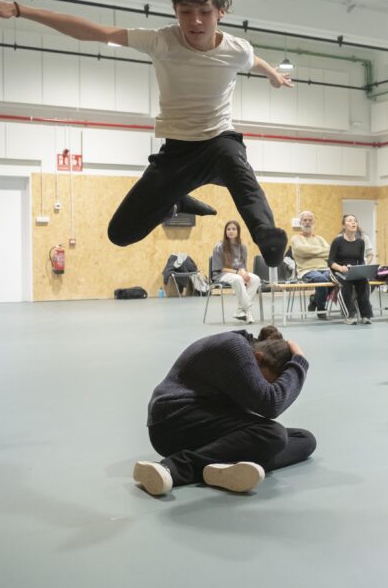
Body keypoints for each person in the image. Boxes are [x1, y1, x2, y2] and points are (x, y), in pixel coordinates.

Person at [0, 0, 292, 268]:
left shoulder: (237, 49)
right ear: (174, 10)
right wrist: (20, 10)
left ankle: (265, 235)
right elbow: (94, 32)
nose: (195, 21)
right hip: (177, 153)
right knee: (121, 233)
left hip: (218, 142)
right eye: (185, 11)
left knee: (240, 173)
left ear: (221, 11)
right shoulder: (160, 41)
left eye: (205, 12)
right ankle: (175, 202)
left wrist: (274, 75)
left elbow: (255, 60)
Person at [133, 325, 315, 496]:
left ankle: (222, 467)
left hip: (202, 420)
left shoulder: (247, 350)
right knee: (274, 434)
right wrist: (299, 361)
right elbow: (271, 404)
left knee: (304, 439)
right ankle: (174, 468)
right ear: (258, 358)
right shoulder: (236, 348)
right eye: (265, 381)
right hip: (171, 424)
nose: (263, 386)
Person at [211, 220, 261, 323]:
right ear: (225, 232)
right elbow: (220, 268)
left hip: (237, 272)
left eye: (234, 229)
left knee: (255, 279)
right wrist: (238, 272)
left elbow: (242, 266)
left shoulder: (243, 247)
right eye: (228, 229)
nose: (231, 231)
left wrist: (244, 273)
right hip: (221, 274)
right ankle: (249, 311)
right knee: (238, 279)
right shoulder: (219, 247)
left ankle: (240, 311)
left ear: (238, 231)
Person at [328, 214, 374, 325]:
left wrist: (362, 269)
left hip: (353, 270)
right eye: (350, 221)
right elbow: (330, 262)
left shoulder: (360, 242)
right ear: (344, 225)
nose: (353, 223)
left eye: (355, 221)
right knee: (346, 284)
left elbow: (360, 261)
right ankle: (350, 315)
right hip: (338, 271)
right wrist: (341, 268)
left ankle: (366, 315)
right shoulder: (337, 241)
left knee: (364, 282)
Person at [290, 211, 332, 319]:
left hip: (324, 268)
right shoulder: (295, 238)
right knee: (321, 279)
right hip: (306, 270)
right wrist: (320, 251)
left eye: (310, 220)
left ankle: (315, 299)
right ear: (300, 222)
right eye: (305, 220)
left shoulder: (320, 239)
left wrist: (309, 252)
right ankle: (321, 309)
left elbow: (329, 253)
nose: (307, 222)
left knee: (335, 278)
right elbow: (301, 250)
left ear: (313, 222)